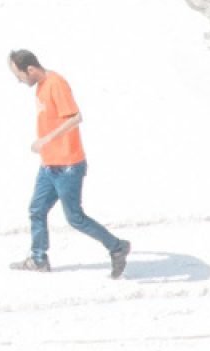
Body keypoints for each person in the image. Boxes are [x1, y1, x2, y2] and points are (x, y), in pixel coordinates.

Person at [8, 49, 129, 278]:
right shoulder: (42, 86)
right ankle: (39, 258)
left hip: (68, 166)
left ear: (30, 69)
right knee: (37, 209)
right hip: (49, 164)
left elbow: (76, 118)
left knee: (75, 218)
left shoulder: (56, 84)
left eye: (19, 75)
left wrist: (45, 139)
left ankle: (117, 246)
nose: (18, 80)